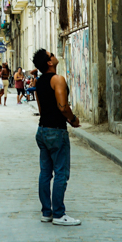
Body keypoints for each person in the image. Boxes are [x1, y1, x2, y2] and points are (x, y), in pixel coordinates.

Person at [32, 48, 80, 226]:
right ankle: (59, 214)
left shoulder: (39, 82)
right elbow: (62, 105)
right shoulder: (57, 79)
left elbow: (42, 110)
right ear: (50, 63)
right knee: (61, 173)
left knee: (45, 172)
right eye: (51, 54)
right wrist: (73, 119)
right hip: (56, 131)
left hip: (42, 130)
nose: (53, 54)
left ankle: (47, 212)